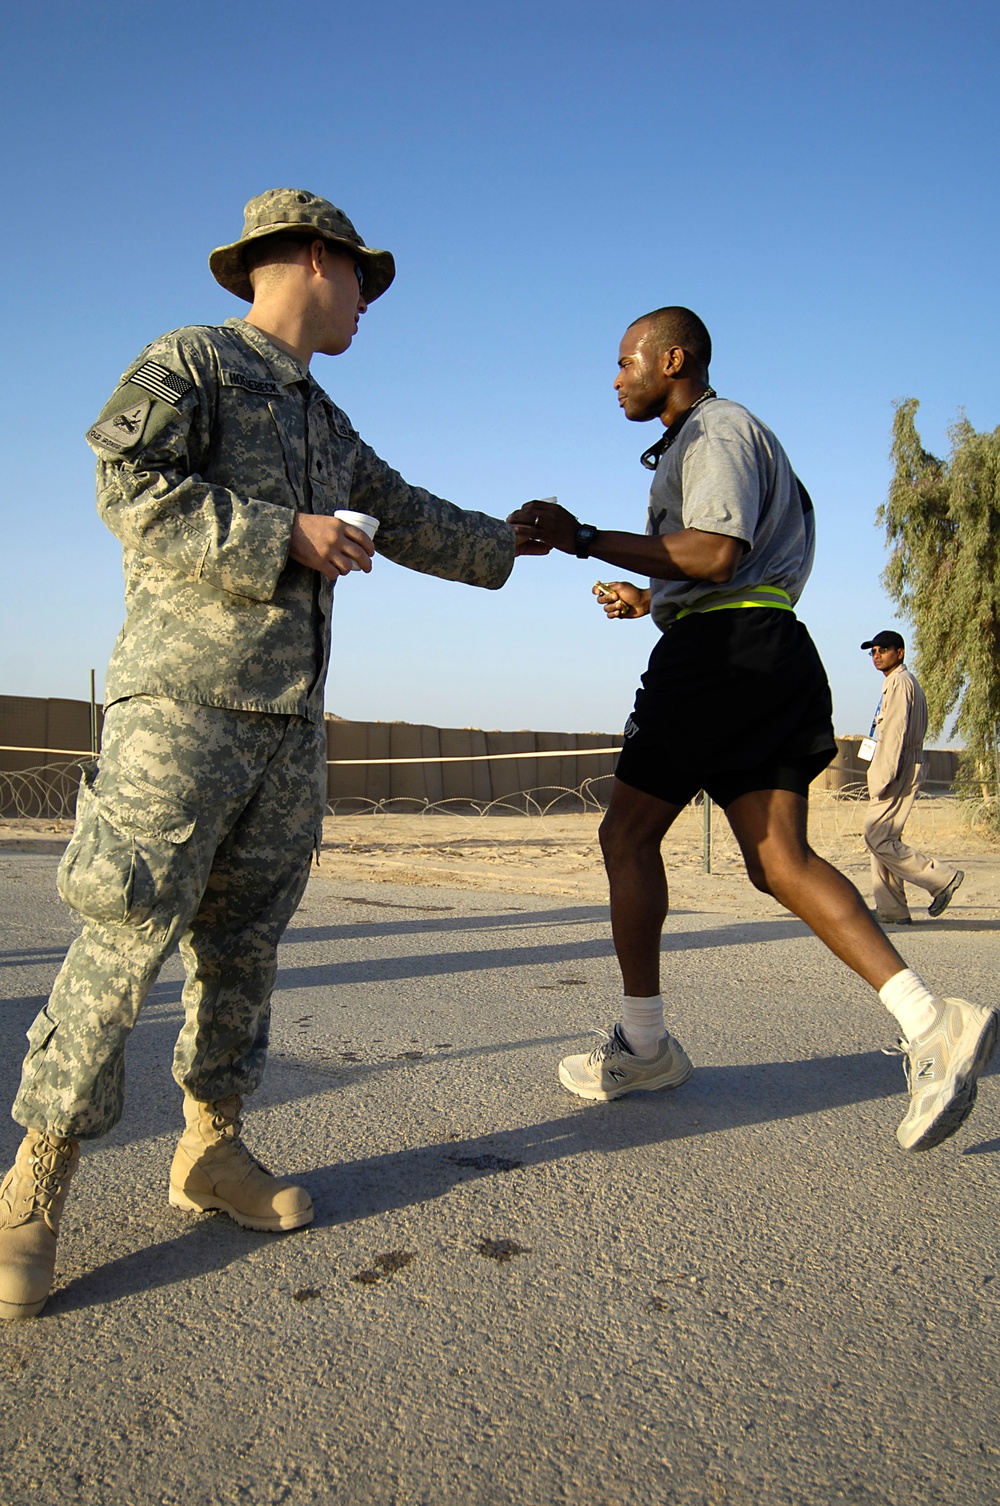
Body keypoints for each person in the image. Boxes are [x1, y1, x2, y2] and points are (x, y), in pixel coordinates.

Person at [0, 188, 524, 1322]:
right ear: (305, 259)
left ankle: (211, 1149)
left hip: (287, 729)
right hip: (179, 710)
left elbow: (412, 514)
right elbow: (126, 487)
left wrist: (517, 543)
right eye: (361, 278)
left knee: (243, 947)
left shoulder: (325, 423)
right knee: (126, 933)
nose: (368, 304)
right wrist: (279, 532)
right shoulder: (188, 362)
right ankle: (35, 1185)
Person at [509, 305, 996, 1156]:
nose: (616, 377)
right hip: (761, 650)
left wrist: (584, 537)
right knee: (779, 862)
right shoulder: (718, 439)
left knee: (625, 837)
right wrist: (651, 602)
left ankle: (647, 1045)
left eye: (626, 362)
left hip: (722, 659)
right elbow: (721, 569)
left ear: (673, 358)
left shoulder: (717, 429)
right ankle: (932, 1021)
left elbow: (714, 555)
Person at [860, 630, 963, 925]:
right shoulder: (895, 682)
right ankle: (891, 910)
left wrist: (884, 776)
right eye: (873, 651)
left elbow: (894, 734)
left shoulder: (901, 684)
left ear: (900, 652)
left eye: (883, 649)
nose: (877, 655)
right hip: (899, 763)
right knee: (884, 838)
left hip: (897, 766)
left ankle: (941, 879)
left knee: (876, 835)